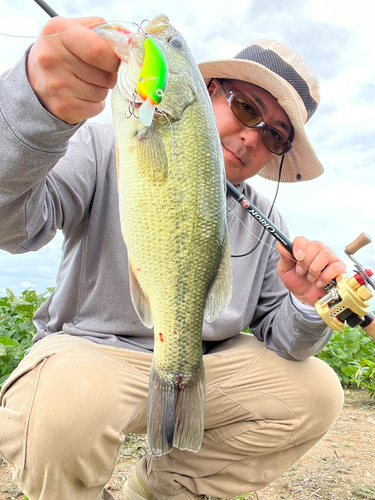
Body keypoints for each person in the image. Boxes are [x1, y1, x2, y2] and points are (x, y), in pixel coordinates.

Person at [0, 15, 345, 500]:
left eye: (274, 137)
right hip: (91, 354)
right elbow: (12, 223)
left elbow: (283, 340)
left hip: (195, 366)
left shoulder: (265, 220)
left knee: (316, 391)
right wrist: (38, 111)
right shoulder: (105, 146)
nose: (251, 136)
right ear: (203, 92)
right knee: (64, 408)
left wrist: (309, 306)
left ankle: (156, 492)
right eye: (246, 108)